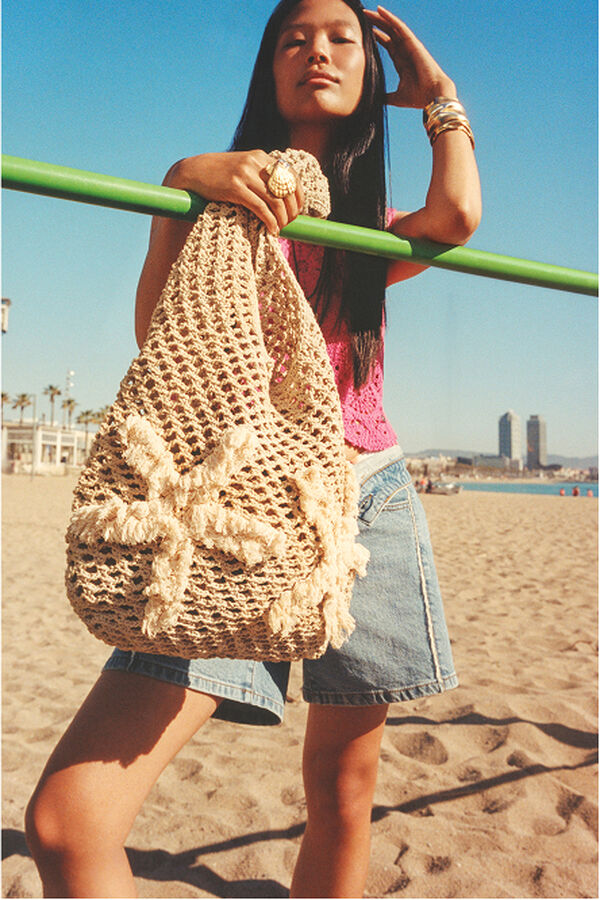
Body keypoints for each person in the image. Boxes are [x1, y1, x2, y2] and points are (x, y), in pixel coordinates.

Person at [25, 1, 481, 896]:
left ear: (370, 72)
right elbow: (157, 331)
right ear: (268, 68)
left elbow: (459, 213)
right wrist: (185, 180)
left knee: (343, 791)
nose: (317, 52)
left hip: (368, 499)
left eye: (342, 39)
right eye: (294, 39)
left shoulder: (369, 227)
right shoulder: (215, 191)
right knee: (67, 823)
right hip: (233, 507)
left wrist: (440, 96)